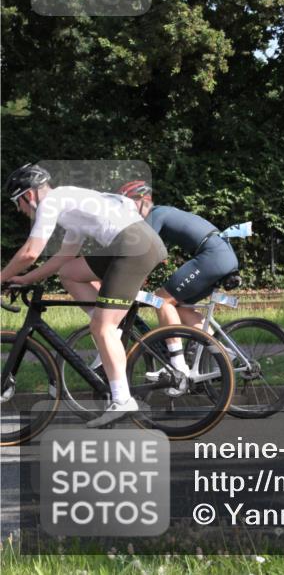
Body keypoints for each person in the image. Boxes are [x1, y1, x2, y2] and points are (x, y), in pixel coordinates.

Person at [1, 164, 167, 426]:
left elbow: (30, 252)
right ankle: (112, 330)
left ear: (28, 195)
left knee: (101, 327)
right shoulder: (69, 202)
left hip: (131, 246)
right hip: (131, 243)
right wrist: (24, 279)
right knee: (70, 271)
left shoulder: (50, 203)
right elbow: (64, 258)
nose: (20, 210)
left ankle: (122, 400)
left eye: (17, 203)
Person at [117, 181, 239, 394]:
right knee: (182, 307)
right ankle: (223, 353)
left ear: (144, 201)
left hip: (212, 255)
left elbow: (142, 254)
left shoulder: (154, 215)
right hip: (221, 255)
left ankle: (178, 365)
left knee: (162, 300)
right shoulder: (163, 213)